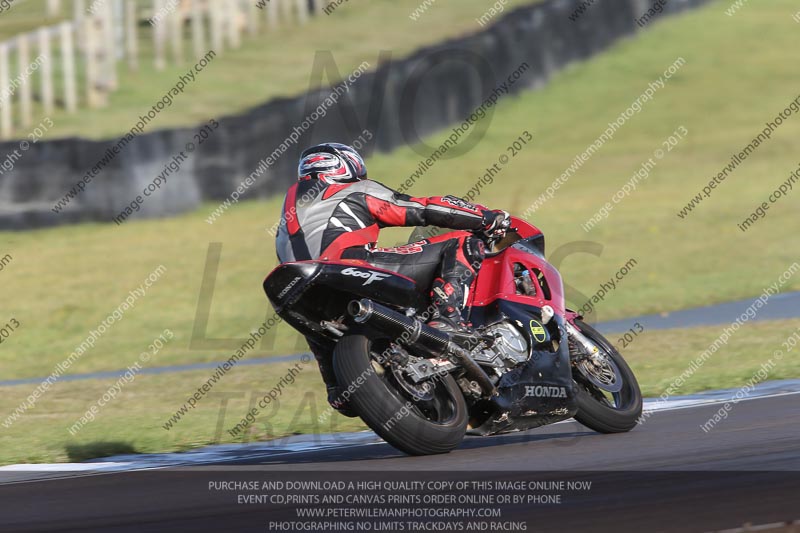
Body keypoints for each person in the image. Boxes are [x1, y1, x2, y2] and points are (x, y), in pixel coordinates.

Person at [275, 142, 509, 413]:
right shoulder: (355, 189)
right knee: (460, 241)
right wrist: (485, 218)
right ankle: (446, 319)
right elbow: (420, 209)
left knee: (320, 331)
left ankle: (336, 386)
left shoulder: (288, 212)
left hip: (293, 286)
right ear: (346, 166)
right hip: (351, 266)